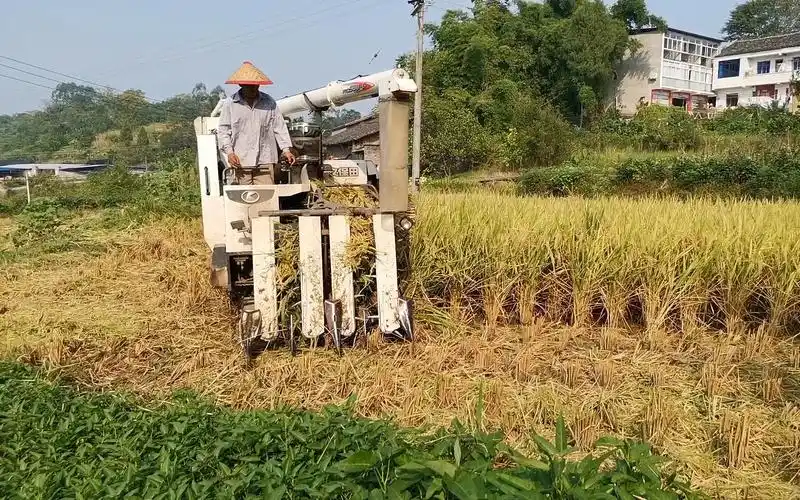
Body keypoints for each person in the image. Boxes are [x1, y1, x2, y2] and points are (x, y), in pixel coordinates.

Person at [217, 61, 296, 184]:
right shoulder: (230, 104)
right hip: (241, 160)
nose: (253, 88)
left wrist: (286, 150)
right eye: (249, 85)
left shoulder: (269, 102)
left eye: (256, 85)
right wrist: (230, 153)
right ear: (241, 84)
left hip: (265, 159)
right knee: (244, 199)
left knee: (267, 198)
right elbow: (223, 131)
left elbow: (279, 127)